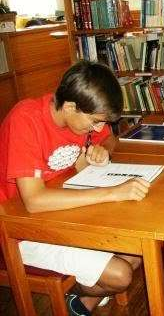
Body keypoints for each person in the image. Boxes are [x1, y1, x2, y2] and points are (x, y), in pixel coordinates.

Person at [0, 61, 151, 316]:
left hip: (61, 215)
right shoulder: (26, 119)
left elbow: (110, 138)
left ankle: (80, 304)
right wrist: (113, 192)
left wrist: (103, 150)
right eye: (94, 122)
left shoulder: (78, 114)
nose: (97, 129)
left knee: (138, 250)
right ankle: (77, 294)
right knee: (121, 274)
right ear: (70, 106)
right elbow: (34, 201)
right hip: (18, 229)